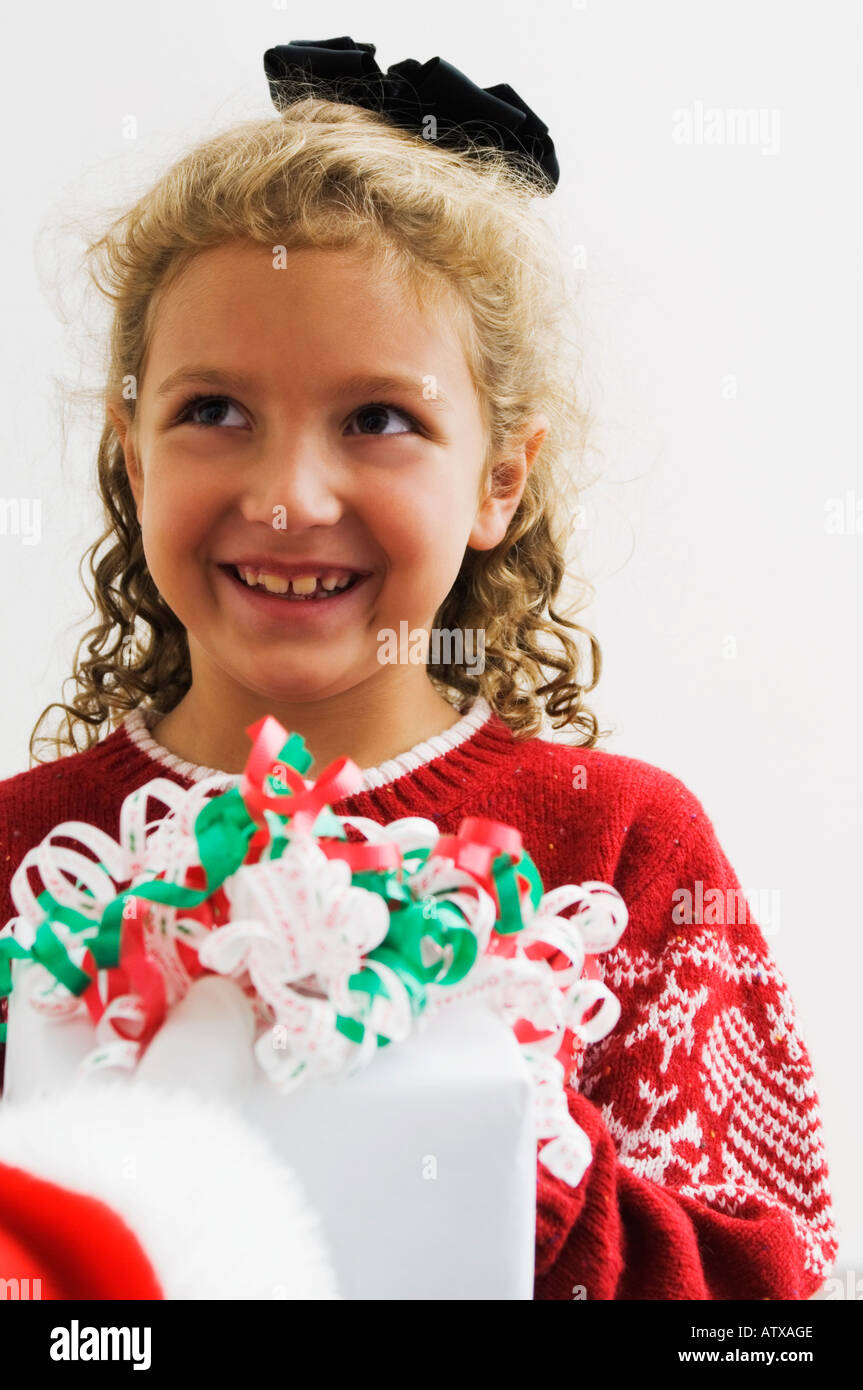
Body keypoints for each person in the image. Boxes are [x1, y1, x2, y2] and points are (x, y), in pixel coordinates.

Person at [0, 37, 838, 1299]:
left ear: (499, 477)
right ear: (129, 451)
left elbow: (765, 1304)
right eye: (213, 411)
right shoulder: (23, 858)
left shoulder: (621, 854)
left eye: (378, 419)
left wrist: (518, 1148)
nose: (287, 499)